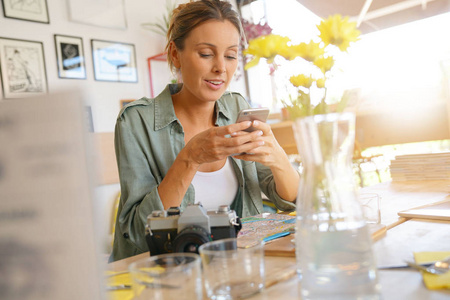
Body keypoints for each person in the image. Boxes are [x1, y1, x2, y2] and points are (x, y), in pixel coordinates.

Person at [110, 0, 299, 262]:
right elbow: (136, 231)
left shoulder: (237, 107)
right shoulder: (136, 121)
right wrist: (190, 158)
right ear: (175, 54)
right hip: (161, 275)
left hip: (233, 267)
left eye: (231, 55)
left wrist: (277, 157)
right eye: (206, 54)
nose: (221, 67)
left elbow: (291, 201)